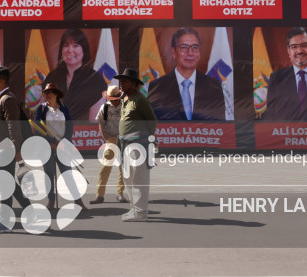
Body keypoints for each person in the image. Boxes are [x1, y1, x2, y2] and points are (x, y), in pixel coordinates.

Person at [0, 66, 32, 233]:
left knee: (3, 187)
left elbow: (13, 127)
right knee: (8, 184)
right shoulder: (1, 99)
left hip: (5, 151)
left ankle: (4, 223)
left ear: (2, 81)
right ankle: (31, 211)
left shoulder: (7, 100)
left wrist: (17, 152)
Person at [148, 27, 225, 122]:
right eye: (184, 47)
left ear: (199, 53)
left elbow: (221, 127)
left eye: (195, 47)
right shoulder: (156, 87)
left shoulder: (214, 87)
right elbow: (152, 125)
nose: (190, 53)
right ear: (174, 52)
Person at [33, 83, 87, 211]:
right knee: (49, 174)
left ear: (56, 94)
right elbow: (37, 128)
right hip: (47, 147)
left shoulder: (64, 108)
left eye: (49, 93)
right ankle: (51, 200)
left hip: (63, 146)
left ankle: (77, 200)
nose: (46, 95)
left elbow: (69, 126)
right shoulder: (41, 109)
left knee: (67, 173)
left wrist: (64, 142)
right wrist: (51, 141)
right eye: (45, 93)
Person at [115, 68, 157, 222]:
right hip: (125, 144)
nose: (121, 84)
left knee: (139, 178)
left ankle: (141, 212)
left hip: (138, 144)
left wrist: (147, 139)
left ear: (133, 83)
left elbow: (152, 121)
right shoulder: (125, 99)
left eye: (124, 81)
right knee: (128, 178)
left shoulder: (140, 99)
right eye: (120, 81)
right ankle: (134, 209)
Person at [42, 29, 107, 122]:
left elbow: (95, 124)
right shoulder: (52, 77)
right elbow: (42, 113)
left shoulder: (95, 80)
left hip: (83, 134)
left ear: (83, 50)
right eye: (66, 45)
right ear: (62, 50)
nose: (70, 50)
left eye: (76, 45)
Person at [90, 85, 126, 205]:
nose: (112, 100)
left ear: (118, 97)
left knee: (124, 167)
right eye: (110, 98)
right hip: (110, 137)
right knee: (105, 166)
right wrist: (105, 136)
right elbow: (100, 121)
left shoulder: (125, 106)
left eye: (114, 98)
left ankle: (120, 193)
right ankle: (100, 195)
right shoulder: (104, 107)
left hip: (123, 138)